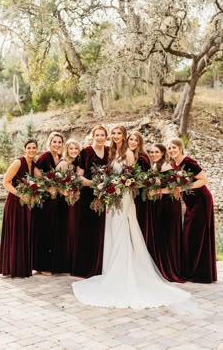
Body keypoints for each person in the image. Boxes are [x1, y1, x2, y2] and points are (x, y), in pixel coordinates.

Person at [72, 126, 192, 309]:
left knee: (122, 228)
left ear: (124, 136)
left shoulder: (128, 153)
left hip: (124, 196)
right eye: (113, 133)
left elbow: (132, 177)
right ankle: (111, 268)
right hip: (112, 197)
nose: (115, 136)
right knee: (112, 228)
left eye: (119, 133)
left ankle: (123, 270)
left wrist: (119, 185)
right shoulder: (112, 152)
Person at [168, 138, 217, 283]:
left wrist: (183, 188)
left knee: (196, 234)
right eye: (169, 148)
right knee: (191, 235)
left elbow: (203, 180)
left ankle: (200, 273)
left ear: (180, 148)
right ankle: (192, 270)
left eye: (174, 148)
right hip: (190, 203)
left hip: (201, 201)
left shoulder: (188, 162)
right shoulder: (174, 164)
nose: (171, 150)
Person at [0, 139, 38, 278]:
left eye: (34, 147)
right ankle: (12, 268)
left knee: (23, 234)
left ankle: (22, 268)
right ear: (24, 148)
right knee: (16, 233)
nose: (32, 150)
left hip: (26, 204)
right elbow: (5, 182)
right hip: (15, 203)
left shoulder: (33, 164)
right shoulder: (18, 162)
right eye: (29, 147)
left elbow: (41, 180)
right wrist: (20, 194)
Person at [73, 125, 109, 277]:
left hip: (104, 195)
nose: (100, 137)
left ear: (106, 136)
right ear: (93, 136)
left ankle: (100, 265)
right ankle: (86, 267)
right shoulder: (86, 152)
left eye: (102, 135)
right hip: (88, 195)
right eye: (97, 135)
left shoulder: (109, 151)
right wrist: (94, 184)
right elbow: (78, 176)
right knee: (88, 229)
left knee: (102, 230)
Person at [148, 143, 184, 282]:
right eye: (151, 152)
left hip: (168, 205)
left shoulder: (166, 166)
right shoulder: (155, 166)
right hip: (159, 205)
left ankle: (170, 269)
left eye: (156, 152)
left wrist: (159, 191)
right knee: (161, 236)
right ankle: (161, 267)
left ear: (163, 153)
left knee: (167, 236)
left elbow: (176, 188)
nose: (153, 154)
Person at [33, 132, 64, 276]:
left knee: (54, 231)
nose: (57, 144)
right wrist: (47, 188)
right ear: (49, 142)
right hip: (45, 200)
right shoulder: (45, 157)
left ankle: (54, 264)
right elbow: (35, 173)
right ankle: (42, 265)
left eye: (59, 142)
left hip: (56, 200)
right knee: (45, 231)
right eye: (54, 142)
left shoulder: (60, 158)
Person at [56, 138, 81, 274]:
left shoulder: (74, 163)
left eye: (76, 149)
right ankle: (64, 264)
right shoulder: (64, 163)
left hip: (70, 201)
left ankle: (70, 262)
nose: (74, 151)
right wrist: (66, 192)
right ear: (66, 149)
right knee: (65, 230)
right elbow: (56, 182)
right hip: (63, 202)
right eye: (71, 148)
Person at [127, 131, 152, 243]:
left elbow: (143, 179)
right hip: (130, 193)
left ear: (140, 143)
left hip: (141, 196)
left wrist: (132, 185)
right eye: (131, 139)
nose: (133, 142)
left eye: (136, 140)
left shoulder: (142, 157)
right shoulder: (127, 154)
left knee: (139, 222)